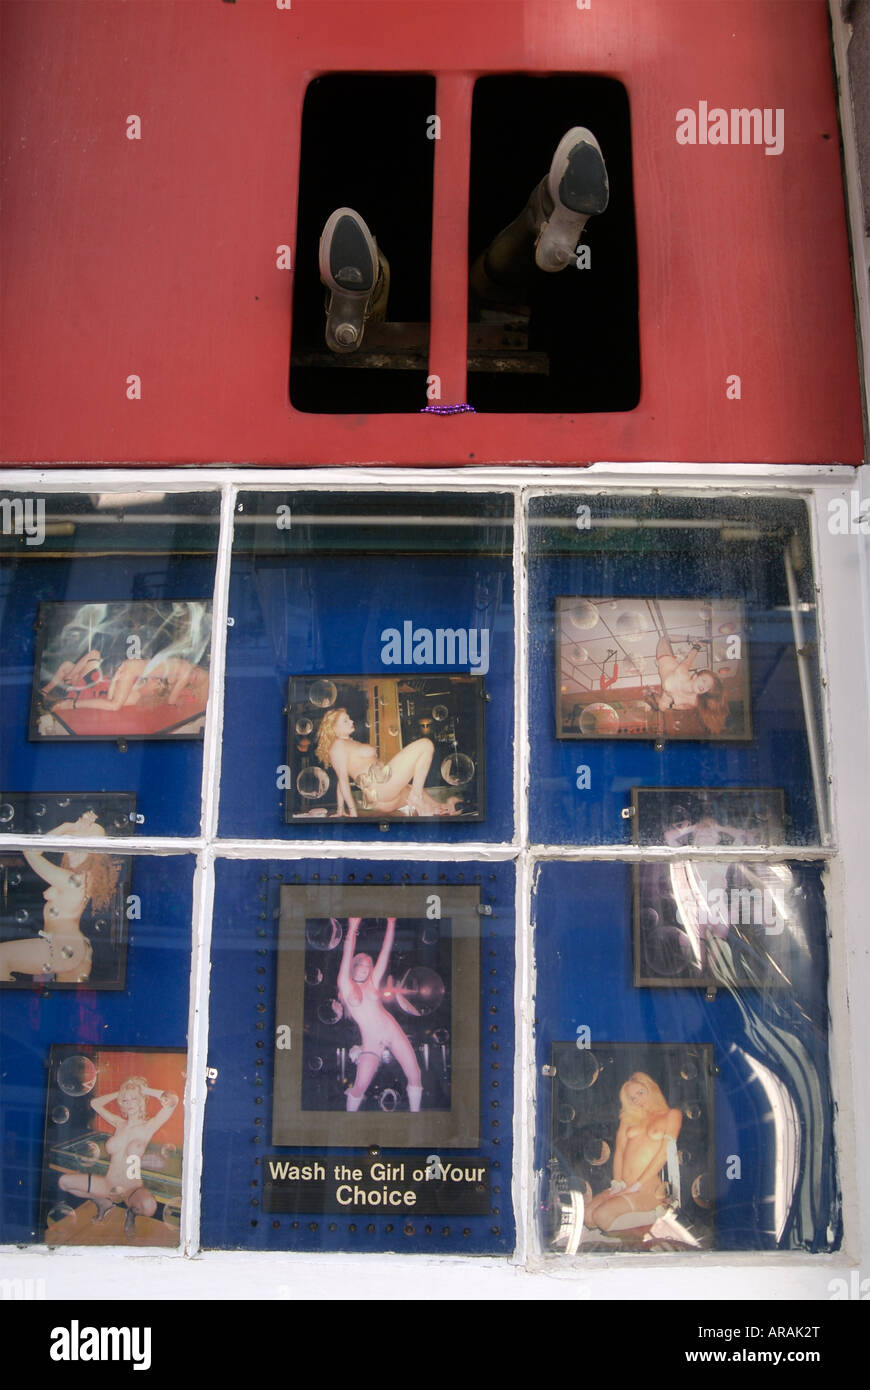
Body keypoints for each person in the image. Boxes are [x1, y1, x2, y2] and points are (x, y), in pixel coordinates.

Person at [317, 127, 609, 353]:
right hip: (491, 296)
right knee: (494, 284)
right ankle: (546, 210)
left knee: (490, 287)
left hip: (484, 302)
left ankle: (361, 296)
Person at [0, 812, 121, 984]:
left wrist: (67, 826)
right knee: (66, 1006)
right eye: (68, 844)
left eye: (78, 847)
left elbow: (30, 851)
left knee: (1, 957)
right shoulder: (83, 878)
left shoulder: (73, 881)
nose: (69, 852)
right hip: (74, 949)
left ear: (93, 854)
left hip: (61, 947)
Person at [56, 1077, 179, 1236]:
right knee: (63, 1182)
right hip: (109, 1184)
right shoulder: (119, 1123)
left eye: (134, 1099)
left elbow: (173, 1101)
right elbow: (95, 1104)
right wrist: (121, 1092)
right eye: (125, 1100)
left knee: (150, 1207)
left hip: (131, 1189)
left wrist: (144, 1090)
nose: (129, 1103)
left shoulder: (148, 1126)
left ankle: (131, 1213)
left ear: (141, 1101)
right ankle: (103, 1203)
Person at [337, 916, 422, 1113]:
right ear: (354, 965)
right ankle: (348, 1124)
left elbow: (385, 952)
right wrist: (353, 927)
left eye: (369, 965)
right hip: (371, 1042)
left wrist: (391, 923)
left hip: (391, 1030)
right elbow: (347, 952)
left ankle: (416, 1117)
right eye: (361, 964)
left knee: (415, 1074)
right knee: (359, 1087)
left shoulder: (373, 982)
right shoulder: (345, 984)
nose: (366, 968)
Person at [583, 1073, 682, 1236]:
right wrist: (617, 1182)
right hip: (625, 1184)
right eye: (632, 1098)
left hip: (648, 1187)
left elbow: (664, 1152)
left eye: (640, 1093)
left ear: (651, 1089)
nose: (637, 1100)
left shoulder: (672, 1115)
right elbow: (620, 1151)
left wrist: (638, 1185)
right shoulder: (628, 1119)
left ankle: (658, 1214)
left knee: (602, 1217)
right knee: (588, 1217)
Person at [315, 706, 461, 816]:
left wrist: (341, 809)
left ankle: (444, 807)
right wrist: (353, 813)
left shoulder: (348, 743)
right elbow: (343, 780)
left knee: (430, 804)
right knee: (425, 745)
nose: (352, 721)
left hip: (386, 795)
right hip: (381, 789)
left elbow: (341, 784)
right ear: (334, 728)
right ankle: (416, 797)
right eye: (345, 720)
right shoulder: (337, 746)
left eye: (349, 718)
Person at [52, 654, 209, 714]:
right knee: (114, 706)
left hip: (132, 667)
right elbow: (171, 700)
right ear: (198, 669)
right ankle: (70, 704)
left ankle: (70, 702)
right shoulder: (186, 672)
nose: (194, 677)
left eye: (196, 678)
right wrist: (179, 703)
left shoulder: (183, 665)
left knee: (113, 701)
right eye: (198, 675)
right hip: (133, 670)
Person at [655, 637, 728, 735]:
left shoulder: (695, 701)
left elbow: (682, 706)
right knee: (664, 639)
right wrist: (698, 645)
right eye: (704, 680)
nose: (703, 686)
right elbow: (689, 660)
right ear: (695, 677)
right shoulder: (681, 673)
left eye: (708, 687)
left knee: (661, 707)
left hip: (667, 693)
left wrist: (670, 704)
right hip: (665, 659)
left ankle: (658, 696)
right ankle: (691, 637)